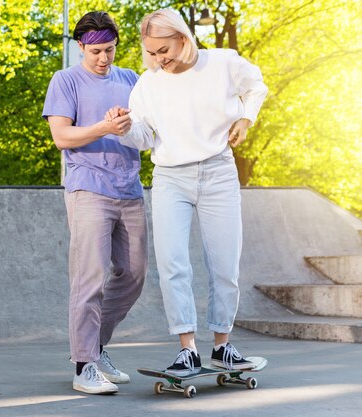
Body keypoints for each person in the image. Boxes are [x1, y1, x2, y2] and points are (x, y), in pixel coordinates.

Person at [106, 8, 268, 377]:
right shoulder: (148, 84)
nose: (158, 59)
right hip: (170, 177)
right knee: (173, 264)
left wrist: (246, 118)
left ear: (183, 38)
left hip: (218, 173)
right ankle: (187, 350)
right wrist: (123, 128)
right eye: (151, 52)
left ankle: (223, 347)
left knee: (225, 264)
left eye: (164, 50)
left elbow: (256, 85)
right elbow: (144, 138)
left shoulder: (222, 63)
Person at [42, 11, 148, 394]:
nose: (104, 58)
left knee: (134, 275)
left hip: (130, 188)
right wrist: (104, 127)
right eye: (97, 51)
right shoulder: (65, 80)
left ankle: (96, 348)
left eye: (111, 49)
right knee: (89, 279)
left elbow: (147, 128)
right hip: (88, 188)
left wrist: (129, 123)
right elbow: (62, 137)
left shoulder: (131, 79)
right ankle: (84, 364)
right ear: (81, 47)